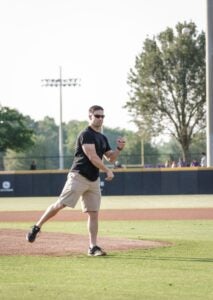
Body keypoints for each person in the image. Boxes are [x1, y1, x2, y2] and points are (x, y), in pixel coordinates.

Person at [26, 105, 126, 256]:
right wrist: (107, 170)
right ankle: (37, 227)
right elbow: (92, 157)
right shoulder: (86, 134)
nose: (100, 119)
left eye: (102, 116)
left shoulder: (103, 137)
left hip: (93, 179)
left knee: (93, 213)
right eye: (97, 116)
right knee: (60, 204)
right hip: (78, 176)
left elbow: (110, 158)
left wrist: (119, 149)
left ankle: (93, 247)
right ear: (90, 116)